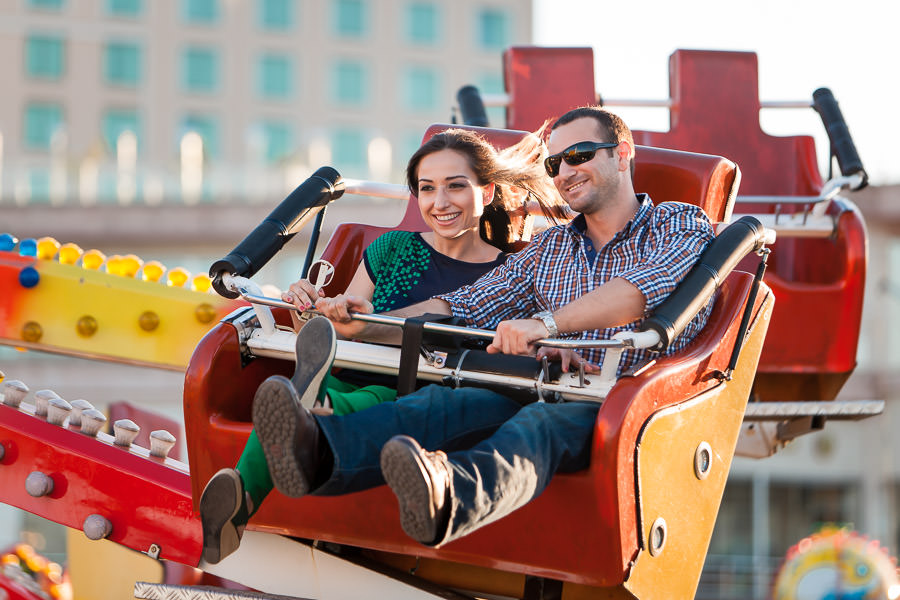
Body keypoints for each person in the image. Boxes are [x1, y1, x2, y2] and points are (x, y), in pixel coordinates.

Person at [247, 106, 717, 549]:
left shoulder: (677, 222)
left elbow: (641, 291)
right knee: (442, 404)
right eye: (555, 164)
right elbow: (460, 305)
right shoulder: (550, 247)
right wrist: (360, 323)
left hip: (623, 398)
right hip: (544, 381)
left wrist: (545, 325)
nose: (566, 172)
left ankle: (447, 499)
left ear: (623, 152)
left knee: (541, 425)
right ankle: (317, 456)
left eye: (579, 156)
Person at [199, 128, 564, 564]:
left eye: (455, 187)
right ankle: (304, 417)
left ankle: (254, 483)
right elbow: (341, 317)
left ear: (486, 192)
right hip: (346, 361)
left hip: (416, 386)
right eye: (427, 189)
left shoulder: (512, 272)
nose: (440, 203)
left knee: (362, 395)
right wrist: (312, 308)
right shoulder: (393, 248)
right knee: (311, 384)